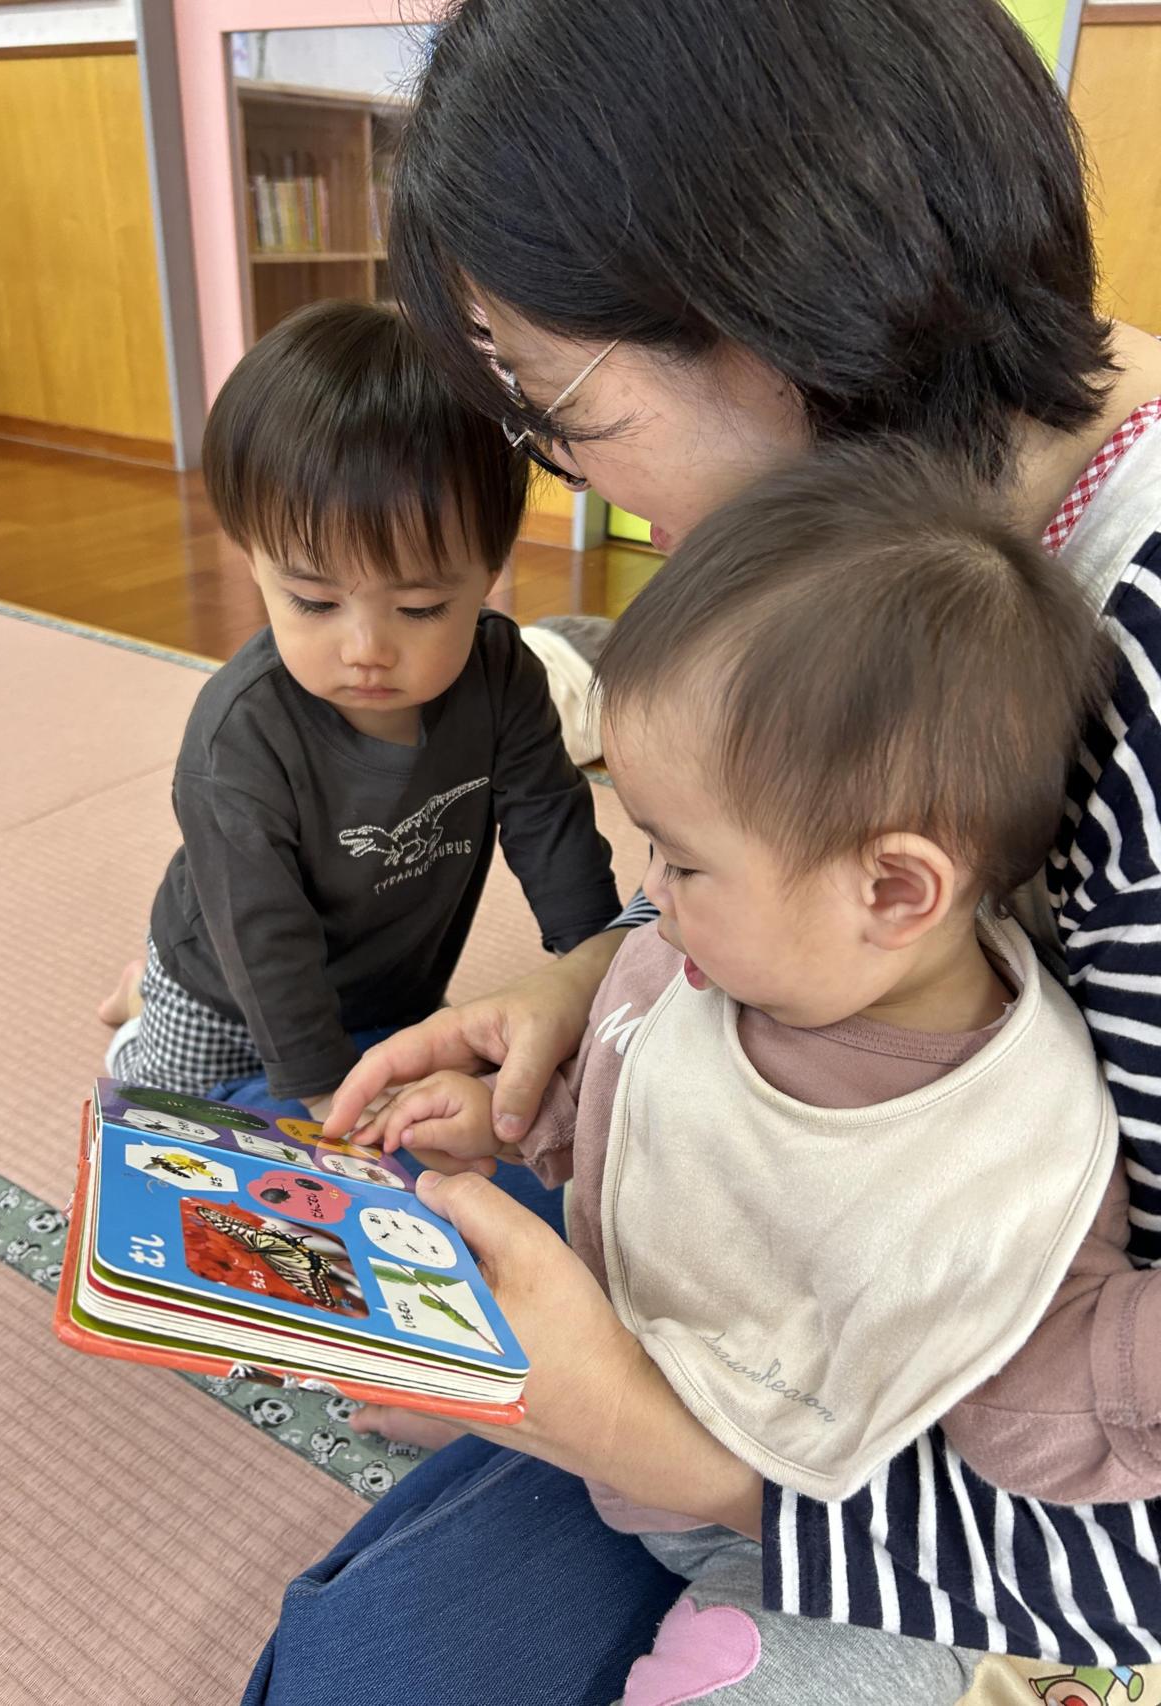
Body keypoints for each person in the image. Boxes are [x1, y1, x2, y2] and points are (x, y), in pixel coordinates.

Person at [245, 3, 1161, 1701]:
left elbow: (1119, 1479)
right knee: (359, 1630)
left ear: (768, 312)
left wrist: (682, 1457)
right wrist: (594, 981)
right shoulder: (874, 520)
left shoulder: (1140, 679)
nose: (574, 486)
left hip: (944, 1457)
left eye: (552, 405)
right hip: (780, 1267)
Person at [355, 447, 1140, 1699]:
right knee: (351, 1643)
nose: (647, 894)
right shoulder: (705, 967)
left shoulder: (1008, 1143)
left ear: (893, 888)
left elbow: (1049, 1399)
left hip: (830, 1547)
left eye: (678, 859)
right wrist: (513, 1114)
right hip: (640, 1405)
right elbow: (626, 1096)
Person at [97, 300, 621, 1113]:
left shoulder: (500, 676)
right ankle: (143, 1005)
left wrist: (598, 965)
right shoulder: (238, 737)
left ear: (490, 573)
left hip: (394, 982)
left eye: (419, 609)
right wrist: (319, 1088)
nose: (367, 648)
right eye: (313, 602)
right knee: (168, 1109)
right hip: (226, 990)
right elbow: (259, 931)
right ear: (254, 562)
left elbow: (550, 821)